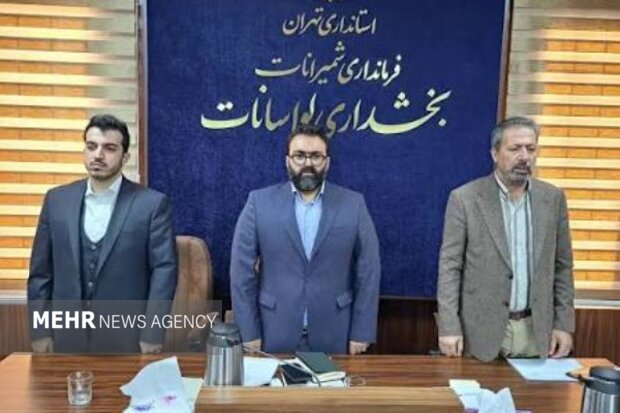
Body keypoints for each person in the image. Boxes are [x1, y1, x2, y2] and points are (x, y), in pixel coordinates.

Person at [28, 114, 178, 354]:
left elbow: (164, 271)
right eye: (91, 146)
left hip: (127, 337)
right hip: (65, 336)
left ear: (125, 157)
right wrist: (40, 331)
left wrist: (153, 332)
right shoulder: (56, 200)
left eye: (109, 148)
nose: (98, 155)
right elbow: (40, 273)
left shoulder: (151, 204)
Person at [230, 123, 381, 354]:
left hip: (336, 333)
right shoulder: (258, 203)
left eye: (316, 156)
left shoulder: (354, 204)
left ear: (327, 162)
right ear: (287, 161)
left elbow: (369, 270)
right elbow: (241, 271)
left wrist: (362, 332)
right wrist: (248, 331)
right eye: (299, 156)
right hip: (273, 331)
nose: (307, 163)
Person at [437, 116, 574, 362]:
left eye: (530, 149)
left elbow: (562, 266)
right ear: (495, 153)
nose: (524, 156)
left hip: (536, 332)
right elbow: (450, 267)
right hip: (480, 334)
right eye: (515, 149)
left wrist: (563, 325)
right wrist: (448, 326)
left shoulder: (553, 199)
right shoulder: (465, 199)